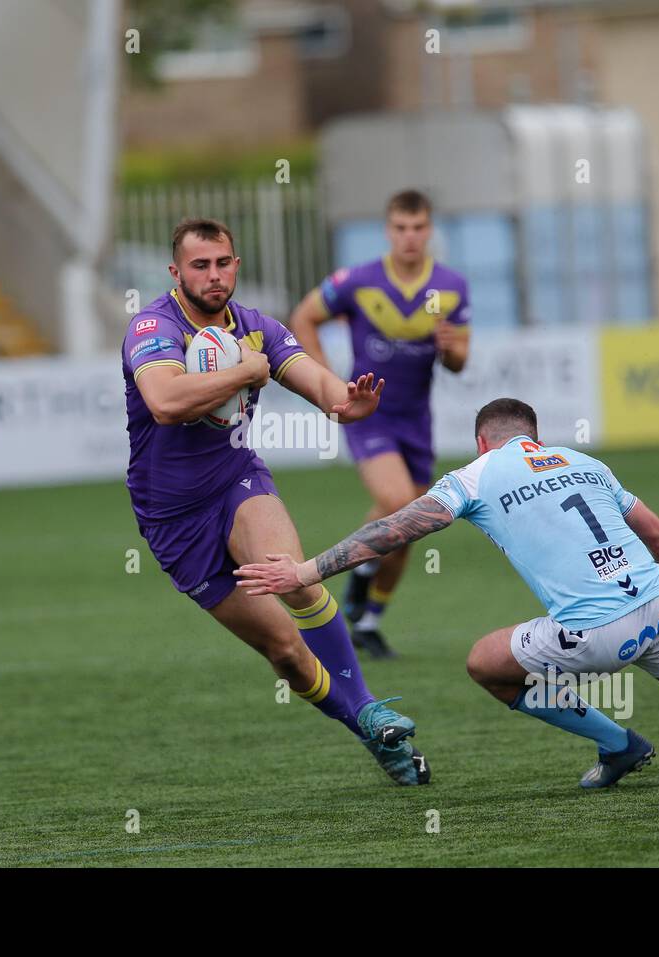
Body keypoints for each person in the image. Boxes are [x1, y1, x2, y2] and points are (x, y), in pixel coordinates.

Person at [236, 398, 659, 788]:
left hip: (591, 631)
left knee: (484, 663)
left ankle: (618, 744)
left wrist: (305, 571)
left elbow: (393, 529)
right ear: (533, 432)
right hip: (655, 606)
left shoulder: (476, 475)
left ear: (483, 439)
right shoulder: (586, 462)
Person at [122, 217, 429, 786]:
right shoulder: (153, 326)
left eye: (223, 263)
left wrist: (348, 401)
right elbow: (164, 401)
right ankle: (367, 734)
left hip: (238, 481)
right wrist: (244, 371)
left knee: (295, 578)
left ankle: (369, 706)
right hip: (171, 520)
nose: (213, 276)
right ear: (175, 272)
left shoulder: (257, 327)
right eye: (199, 265)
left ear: (236, 265)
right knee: (286, 651)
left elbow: (317, 382)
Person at [288, 189, 470, 658]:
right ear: (388, 230)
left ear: (430, 230)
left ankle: (368, 615)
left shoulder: (450, 287)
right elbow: (303, 317)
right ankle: (362, 579)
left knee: (415, 524)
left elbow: (460, 361)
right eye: (400, 228)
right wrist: (327, 381)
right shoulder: (357, 281)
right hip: (369, 413)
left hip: (416, 419)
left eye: (418, 227)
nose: (410, 237)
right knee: (395, 502)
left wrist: (450, 349)